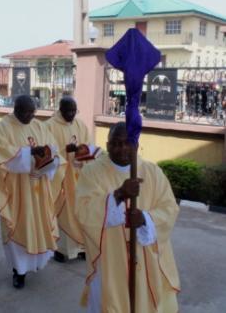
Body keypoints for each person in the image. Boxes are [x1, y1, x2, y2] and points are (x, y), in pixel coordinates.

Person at [75, 122, 180, 312]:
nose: (121, 148)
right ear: (107, 146)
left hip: (145, 255)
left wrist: (145, 219)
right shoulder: (91, 172)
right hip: (109, 259)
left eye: (127, 143)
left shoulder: (152, 171)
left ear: (136, 145)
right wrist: (118, 195)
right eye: (115, 143)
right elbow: (83, 211)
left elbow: (169, 208)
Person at [0, 95, 65, 289]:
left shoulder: (39, 126)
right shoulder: (1, 128)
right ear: (15, 108)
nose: (30, 116)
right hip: (17, 190)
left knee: (38, 225)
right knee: (19, 226)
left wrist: (49, 158)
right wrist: (30, 152)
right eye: (26, 112)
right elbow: (2, 156)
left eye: (33, 112)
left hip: (39, 187)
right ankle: (19, 271)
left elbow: (53, 150)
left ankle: (36, 264)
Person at [46, 96, 95, 262]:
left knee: (79, 211)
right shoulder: (49, 126)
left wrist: (83, 151)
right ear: (60, 109)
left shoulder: (80, 125)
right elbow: (48, 153)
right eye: (68, 111)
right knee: (64, 212)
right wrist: (63, 150)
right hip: (61, 179)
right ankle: (60, 249)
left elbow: (89, 145)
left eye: (74, 110)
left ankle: (80, 247)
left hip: (79, 177)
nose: (72, 114)